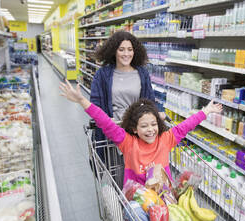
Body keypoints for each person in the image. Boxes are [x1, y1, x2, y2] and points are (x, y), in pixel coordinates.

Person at [59, 80, 222, 185]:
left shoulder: (166, 139)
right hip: (138, 200)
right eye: (144, 126)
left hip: (164, 196)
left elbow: (186, 125)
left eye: (153, 124)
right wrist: (82, 100)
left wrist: (206, 111)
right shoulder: (128, 142)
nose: (150, 130)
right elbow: (105, 122)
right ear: (134, 129)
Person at [91, 30, 164, 121]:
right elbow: (95, 103)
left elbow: (150, 102)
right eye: (121, 50)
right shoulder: (102, 74)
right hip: (112, 129)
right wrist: (105, 119)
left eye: (130, 50)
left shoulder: (142, 73)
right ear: (114, 51)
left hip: (135, 128)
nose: (126, 54)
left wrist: (156, 113)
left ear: (135, 51)